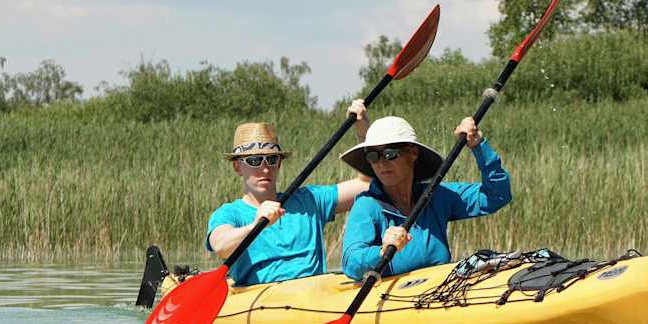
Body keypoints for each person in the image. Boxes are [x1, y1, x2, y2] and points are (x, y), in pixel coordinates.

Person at [206, 100, 371, 286]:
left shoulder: (310, 200)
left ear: (279, 163)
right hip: (262, 298)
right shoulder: (229, 213)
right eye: (254, 161)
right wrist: (255, 225)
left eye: (271, 159)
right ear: (237, 167)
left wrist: (363, 132)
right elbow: (220, 246)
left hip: (314, 295)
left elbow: (366, 184)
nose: (265, 168)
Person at [339, 115, 512, 280]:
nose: (381, 163)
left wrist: (478, 146)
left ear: (413, 153)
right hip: (390, 298)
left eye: (390, 153)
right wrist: (381, 252)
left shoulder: (436, 196)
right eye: (373, 156)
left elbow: (496, 196)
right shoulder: (366, 206)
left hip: (438, 293)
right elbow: (351, 263)